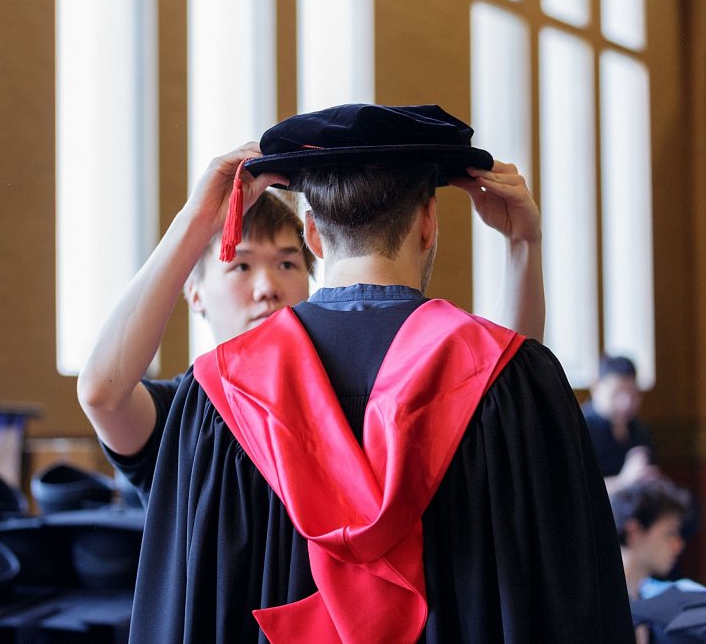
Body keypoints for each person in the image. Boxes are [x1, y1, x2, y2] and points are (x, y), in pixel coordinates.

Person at [80, 104, 631, 643]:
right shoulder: (505, 381)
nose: (267, 285)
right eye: (241, 264)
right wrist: (523, 244)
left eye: (284, 261)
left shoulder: (210, 405)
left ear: (313, 237)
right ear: (428, 224)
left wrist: (197, 218)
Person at [611, 479, 706, 642]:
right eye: (670, 533)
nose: (679, 545)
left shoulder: (656, 596)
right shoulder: (604, 604)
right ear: (634, 533)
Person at [584, 354, 659, 495]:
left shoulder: (639, 429)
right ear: (596, 388)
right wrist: (623, 481)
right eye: (617, 393)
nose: (626, 403)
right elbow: (579, 493)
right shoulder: (579, 428)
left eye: (632, 394)